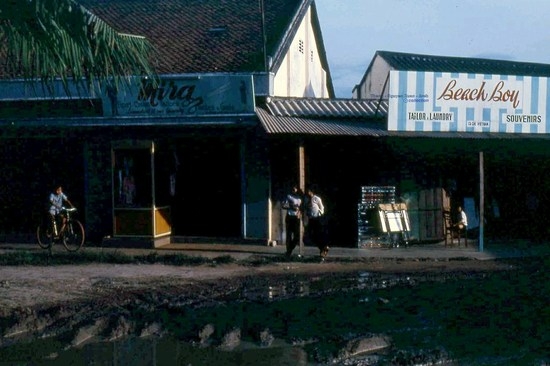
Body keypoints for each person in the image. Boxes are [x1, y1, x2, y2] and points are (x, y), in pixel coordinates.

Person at [305, 186, 328, 259]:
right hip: (311, 219)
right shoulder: (307, 200)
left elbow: (322, 207)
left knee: (318, 233)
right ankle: (323, 247)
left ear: (311, 191)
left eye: (308, 191)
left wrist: (320, 213)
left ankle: (323, 248)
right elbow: (308, 208)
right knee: (312, 235)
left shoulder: (316, 198)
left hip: (317, 218)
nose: (307, 193)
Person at [282, 184, 303, 258]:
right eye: (292, 189)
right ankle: (288, 252)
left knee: (297, 235)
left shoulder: (300, 197)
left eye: (295, 189)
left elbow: (302, 207)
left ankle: (290, 249)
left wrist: (300, 211)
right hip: (290, 216)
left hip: (296, 217)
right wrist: (291, 206)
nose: (294, 190)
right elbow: (283, 205)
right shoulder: (289, 196)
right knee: (289, 234)